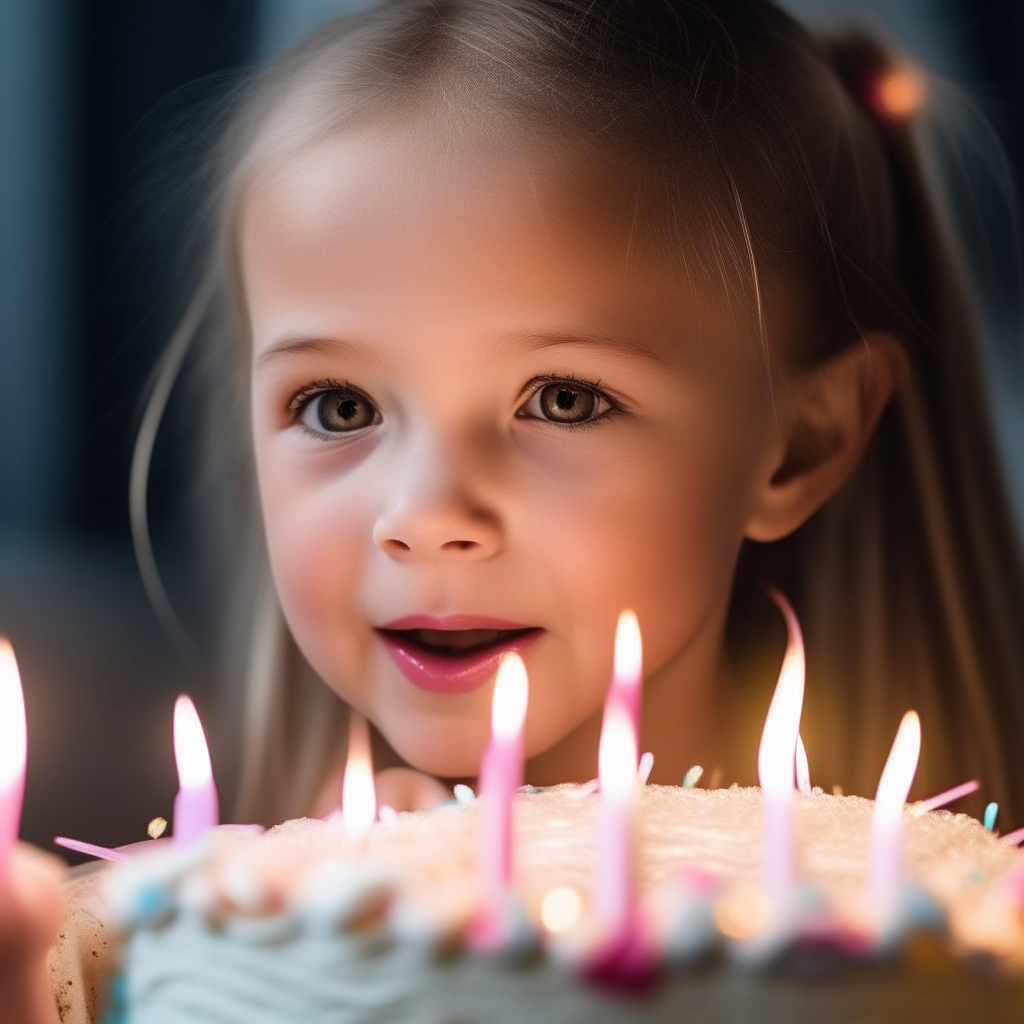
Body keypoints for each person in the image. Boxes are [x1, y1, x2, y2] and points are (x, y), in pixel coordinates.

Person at [5, 1, 1024, 1020]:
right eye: (338, 406)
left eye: (564, 399)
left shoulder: (942, 957)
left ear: (800, 443)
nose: (425, 514)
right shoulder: (199, 953)